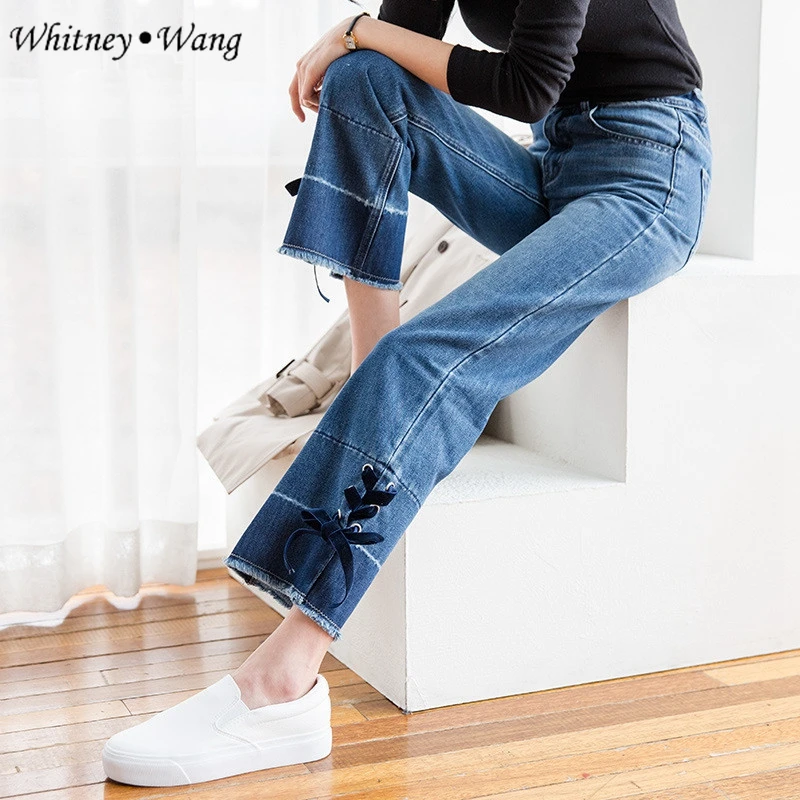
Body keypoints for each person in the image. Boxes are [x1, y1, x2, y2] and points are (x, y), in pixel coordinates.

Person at [102, 0, 712, 786]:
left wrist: (354, 27)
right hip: (552, 164)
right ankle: (373, 374)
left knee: (425, 354)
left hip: (647, 175)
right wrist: (360, 40)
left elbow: (526, 85)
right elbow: (393, 59)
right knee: (364, 81)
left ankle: (283, 684)